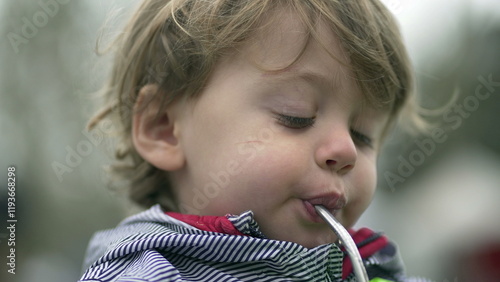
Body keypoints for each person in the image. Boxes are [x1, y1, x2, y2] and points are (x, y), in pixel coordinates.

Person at [80, 0, 427, 281]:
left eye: (363, 135)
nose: (345, 150)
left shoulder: (373, 269)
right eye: (297, 116)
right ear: (163, 128)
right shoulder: (144, 274)